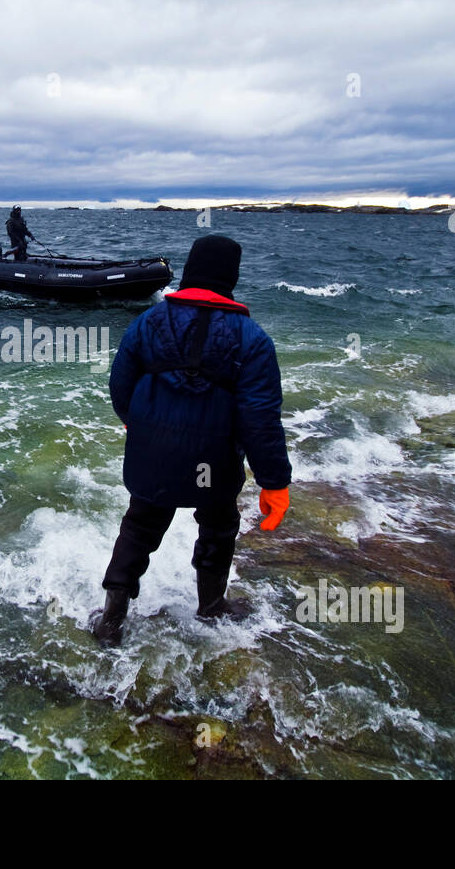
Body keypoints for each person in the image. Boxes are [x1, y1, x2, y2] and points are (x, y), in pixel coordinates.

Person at [92, 234, 292, 646]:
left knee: (140, 527)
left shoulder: (148, 322)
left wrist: (138, 425)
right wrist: (274, 481)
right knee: (218, 526)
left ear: (189, 271)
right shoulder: (252, 338)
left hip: (153, 455)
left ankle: (111, 619)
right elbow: (260, 418)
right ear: (230, 278)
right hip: (213, 461)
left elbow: (120, 386)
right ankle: (212, 605)